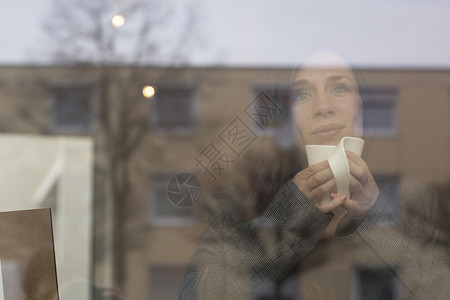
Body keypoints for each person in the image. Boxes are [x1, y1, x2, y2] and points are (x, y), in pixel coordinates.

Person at [178, 51, 450, 299]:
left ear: (362, 109)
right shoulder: (237, 200)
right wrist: (290, 219)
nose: (323, 106)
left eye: (339, 88)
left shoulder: (414, 199)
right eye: (302, 95)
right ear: (289, 119)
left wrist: (364, 221)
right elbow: (197, 293)